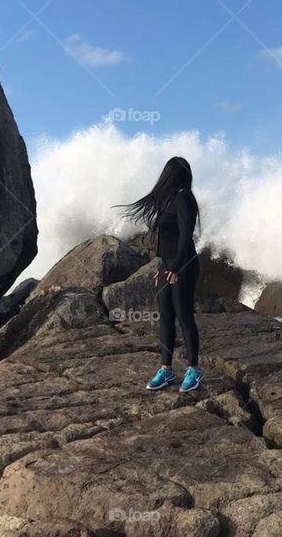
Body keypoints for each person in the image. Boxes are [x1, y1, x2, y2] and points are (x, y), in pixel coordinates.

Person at [120, 156, 203, 392]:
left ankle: (194, 369)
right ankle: (166, 369)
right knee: (165, 317)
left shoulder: (184, 198)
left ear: (172, 175)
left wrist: (176, 268)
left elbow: (185, 237)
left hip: (184, 265)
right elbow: (165, 240)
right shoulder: (168, 200)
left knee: (184, 316)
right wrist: (162, 267)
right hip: (168, 266)